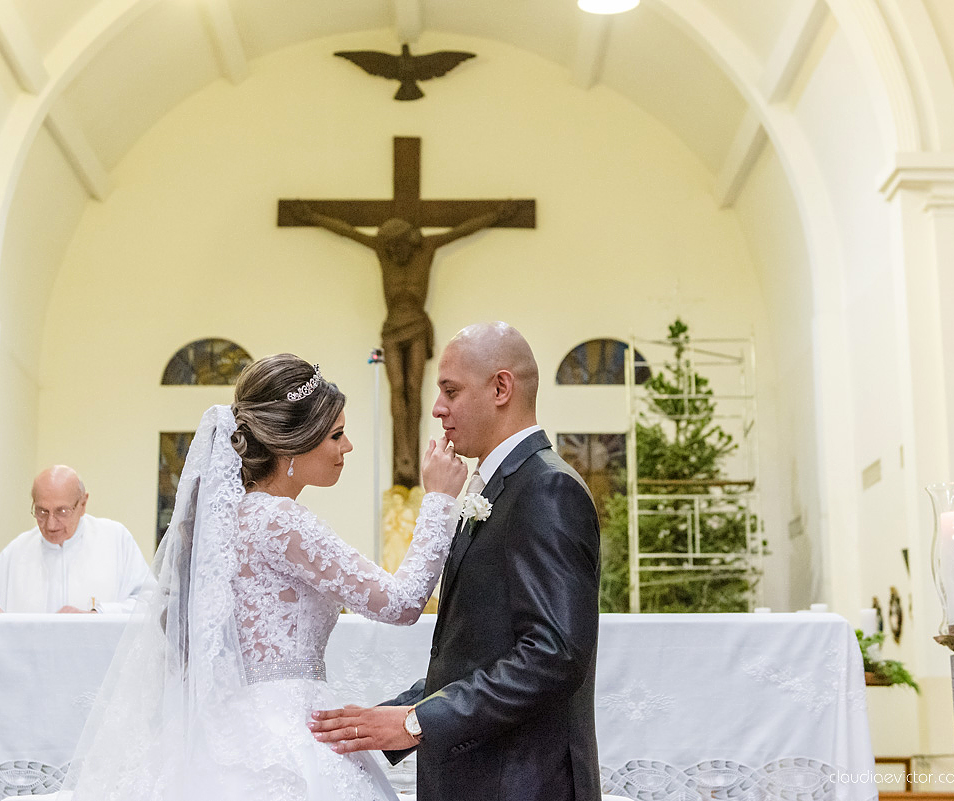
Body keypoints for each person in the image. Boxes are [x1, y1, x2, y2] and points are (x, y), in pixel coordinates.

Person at [56, 354, 467, 801]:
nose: (347, 446)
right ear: (292, 446)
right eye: (336, 435)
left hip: (229, 726)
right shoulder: (280, 521)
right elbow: (401, 603)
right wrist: (439, 500)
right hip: (285, 732)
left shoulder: (229, 520)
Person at [309, 323, 602, 801]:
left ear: (501, 388)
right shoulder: (498, 486)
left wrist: (416, 722)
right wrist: (385, 720)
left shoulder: (547, 488)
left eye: (451, 391)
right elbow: (475, 652)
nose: (436, 408)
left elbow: (554, 654)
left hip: (522, 784)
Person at [291, 201, 518, 487]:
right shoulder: (383, 253)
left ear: (409, 242)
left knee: (413, 387)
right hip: (392, 329)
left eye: (399, 246)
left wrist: (496, 215)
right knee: (397, 388)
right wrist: (312, 215)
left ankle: (409, 452)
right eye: (390, 248)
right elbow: (348, 231)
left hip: (417, 327)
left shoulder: (427, 249)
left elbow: (461, 230)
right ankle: (404, 456)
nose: (395, 252)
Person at [0, 466, 152, 614]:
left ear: (83, 504)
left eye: (62, 511)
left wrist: (98, 614)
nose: (50, 524)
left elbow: (150, 604)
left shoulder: (115, 540)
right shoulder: (17, 551)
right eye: (42, 511)